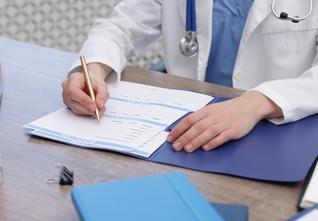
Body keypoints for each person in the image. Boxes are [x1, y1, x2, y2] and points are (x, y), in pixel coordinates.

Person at [61, 0, 318, 153]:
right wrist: (93, 67)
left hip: (280, 129)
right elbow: (120, 27)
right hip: (182, 124)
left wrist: (258, 102)